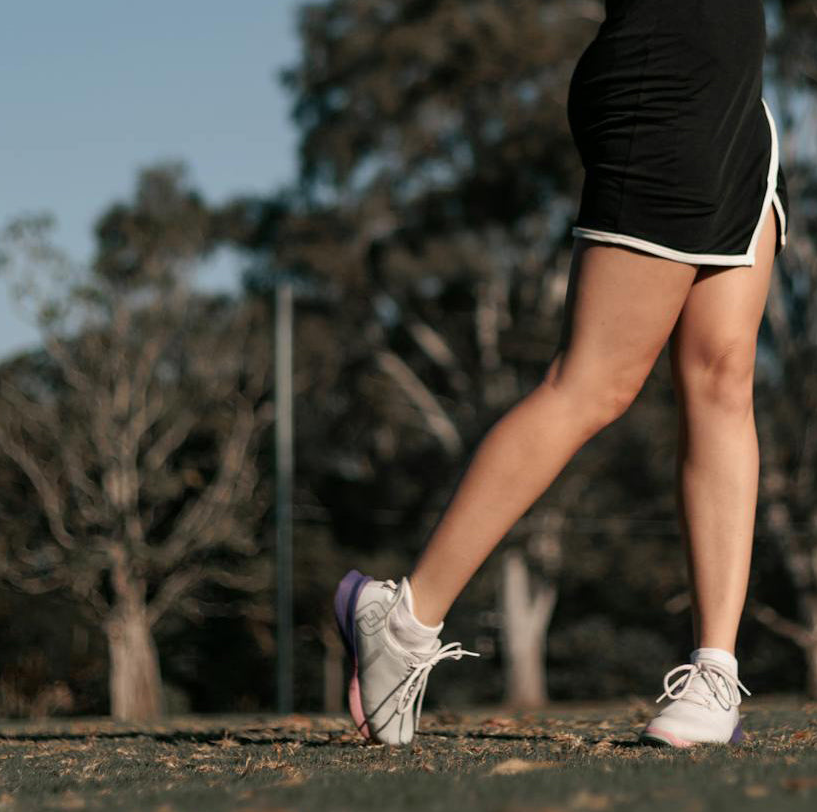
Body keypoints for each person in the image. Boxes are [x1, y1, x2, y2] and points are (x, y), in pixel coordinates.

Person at [334, 0, 788, 747]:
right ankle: (405, 622)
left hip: (736, 94)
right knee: (595, 381)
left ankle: (714, 673)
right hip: (670, 69)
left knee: (722, 380)